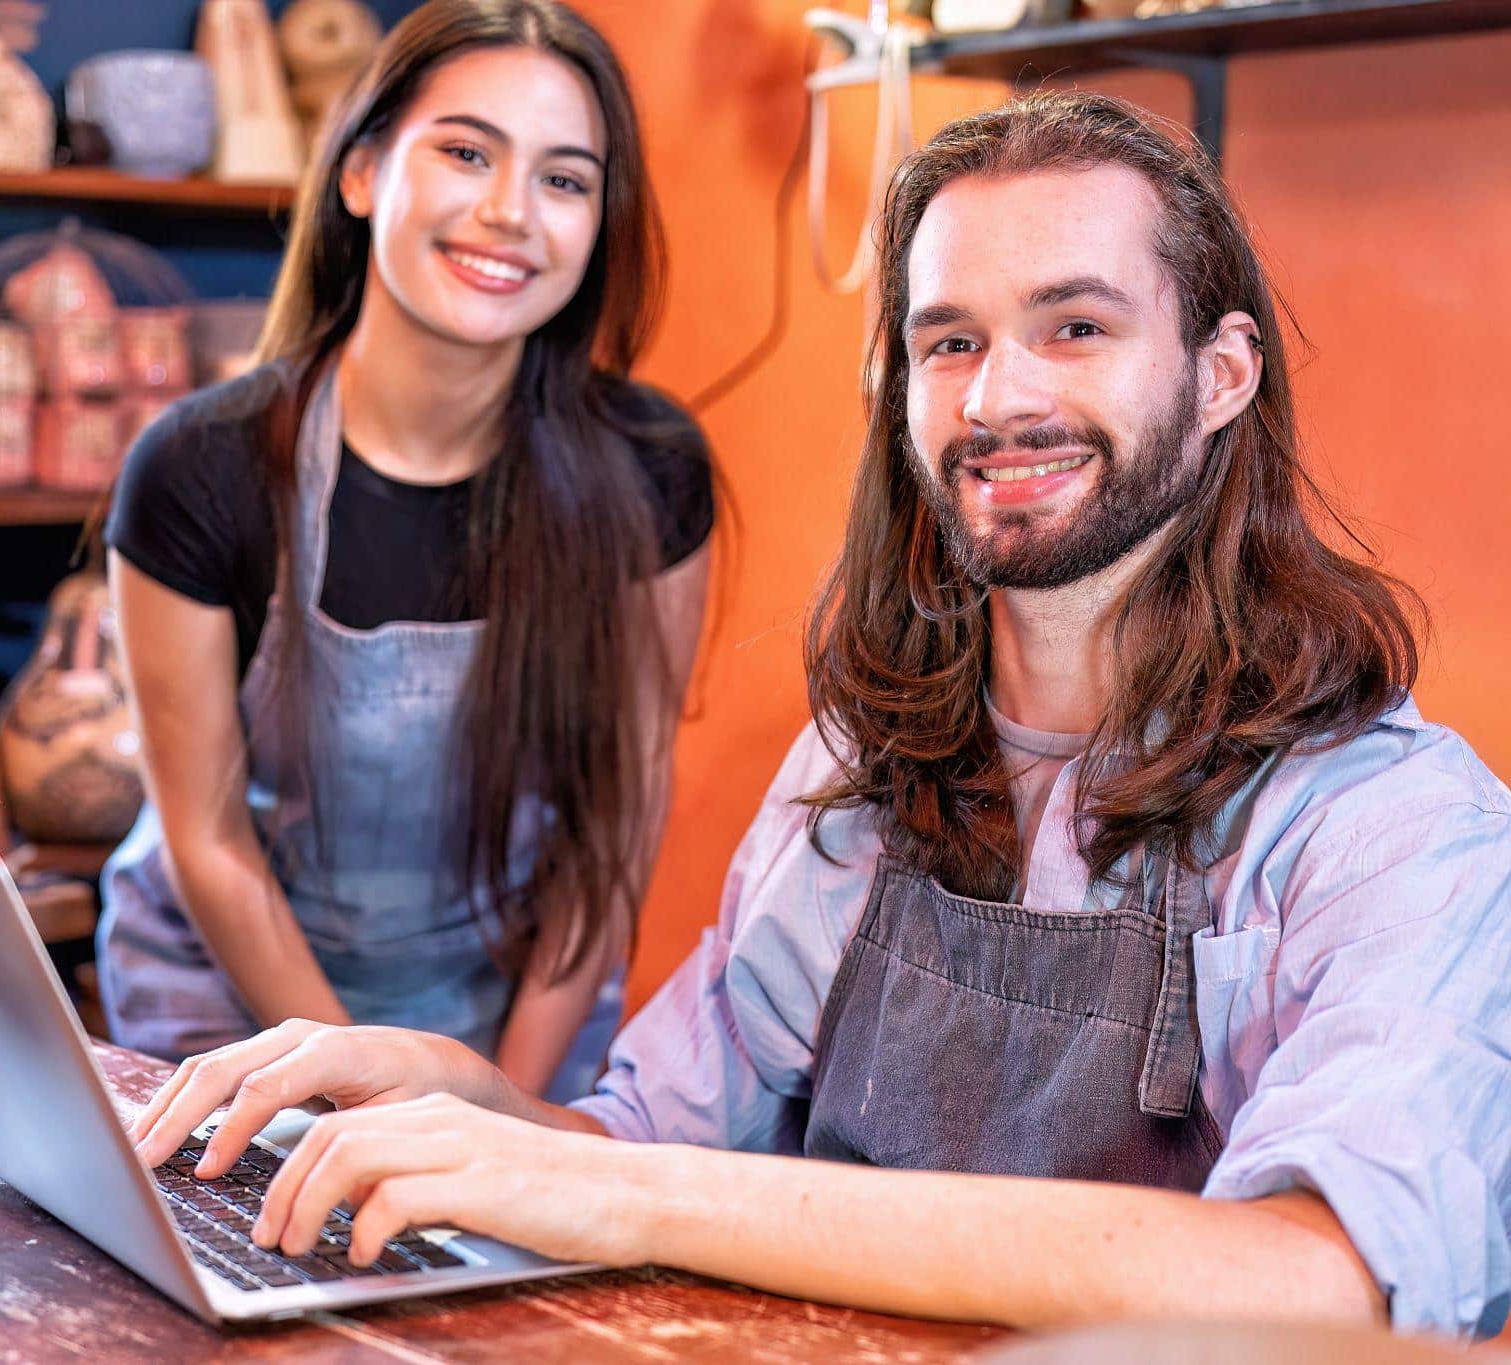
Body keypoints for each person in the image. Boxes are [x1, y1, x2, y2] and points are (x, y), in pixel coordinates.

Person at [129, 92, 1511, 1337]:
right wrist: (461, 1098)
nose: (998, 397)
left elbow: (1329, 1281)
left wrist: (632, 1190)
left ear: (1222, 375)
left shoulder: (1392, 826)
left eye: (1075, 327)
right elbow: (642, 1143)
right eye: (948, 341)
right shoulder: (858, 773)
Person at [98, 0, 715, 1103]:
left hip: (511, 1028)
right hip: (229, 1018)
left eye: (563, 180)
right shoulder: (200, 469)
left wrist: (496, 1112)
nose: (507, 211)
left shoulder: (649, 473)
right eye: (466, 152)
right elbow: (207, 845)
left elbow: (612, 833)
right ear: (362, 174)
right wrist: (366, 1096)